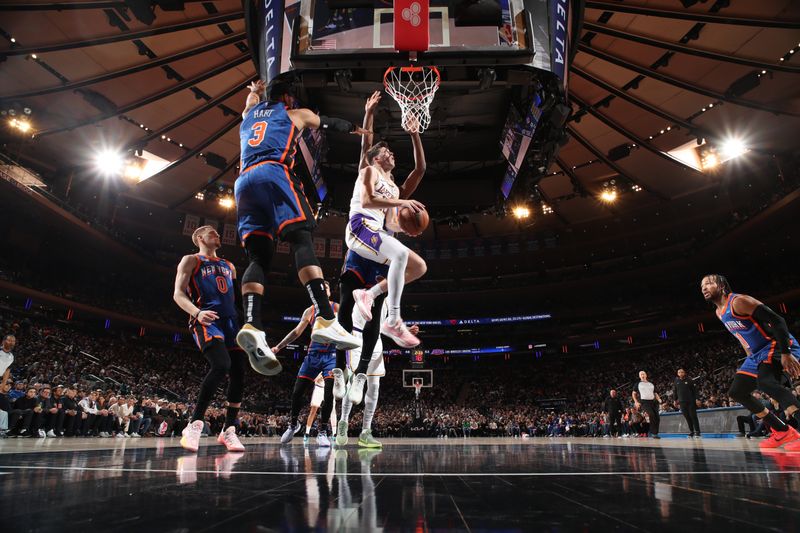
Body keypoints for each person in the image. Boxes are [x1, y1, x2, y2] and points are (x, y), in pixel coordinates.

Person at [234, 78, 364, 371]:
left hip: (244, 183)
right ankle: (325, 318)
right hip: (274, 173)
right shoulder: (295, 114)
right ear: (289, 99)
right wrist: (354, 127)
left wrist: (254, 94)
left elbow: (249, 105)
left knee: (259, 257)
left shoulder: (248, 116)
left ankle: (252, 324)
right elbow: (327, 123)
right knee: (301, 240)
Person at [344, 91, 428, 349]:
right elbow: (368, 202)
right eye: (388, 152)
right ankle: (392, 319)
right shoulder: (368, 170)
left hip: (374, 232)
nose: (392, 154)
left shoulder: (392, 188)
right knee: (401, 257)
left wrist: (415, 134)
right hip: (359, 227)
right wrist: (368, 113)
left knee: (418, 267)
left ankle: (370, 295)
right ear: (377, 158)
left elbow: (420, 170)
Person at [701, 274, 800, 450]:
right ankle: (783, 431)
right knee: (737, 391)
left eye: (709, 283)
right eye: (702, 286)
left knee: (766, 383)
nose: (704, 287)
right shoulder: (718, 312)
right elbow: (741, 337)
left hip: (776, 345)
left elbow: (778, 321)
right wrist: (750, 357)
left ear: (722, 285)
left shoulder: (739, 301)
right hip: (757, 354)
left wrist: (785, 353)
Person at [173, 225, 247, 453]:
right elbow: (178, 293)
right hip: (208, 319)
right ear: (199, 238)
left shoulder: (229, 266)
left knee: (239, 373)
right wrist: (197, 312)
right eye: (211, 232)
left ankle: (229, 430)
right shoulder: (191, 260)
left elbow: (237, 300)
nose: (217, 234)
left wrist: (247, 326)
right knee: (221, 364)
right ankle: (194, 425)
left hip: (232, 322)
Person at [337, 299, 419, 448]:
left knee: (374, 387)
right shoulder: (363, 287)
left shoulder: (389, 298)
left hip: (375, 340)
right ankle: (343, 422)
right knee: (354, 383)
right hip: (357, 337)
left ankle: (366, 432)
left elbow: (388, 325)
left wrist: (404, 331)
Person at [275, 281, 339, 447]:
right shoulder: (310, 310)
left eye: (326, 288)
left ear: (330, 292)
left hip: (331, 356)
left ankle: (323, 431)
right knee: (297, 392)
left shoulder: (337, 308)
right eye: (321, 288)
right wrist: (278, 346)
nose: (323, 290)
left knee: (329, 394)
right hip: (312, 355)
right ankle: (293, 424)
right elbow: (297, 332)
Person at [673, 369, 702, 438]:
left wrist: (697, 399)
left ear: (684, 373)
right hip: (682, 402)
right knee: (687, 417)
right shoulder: (676, 381)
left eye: (682, 372)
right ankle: (691, 431)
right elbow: (675, 391)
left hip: (691, 401)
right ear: (677, 374)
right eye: (679, 372)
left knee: (693, 416)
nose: (681, 373)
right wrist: (674, 400)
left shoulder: (689, 380)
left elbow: (695, 390)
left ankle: (697, 432)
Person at [632, 371, 661, 439]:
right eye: (641, 374)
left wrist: (659, 399)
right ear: (639, 376)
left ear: (646, 375)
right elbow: (633, 393)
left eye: (643, 374)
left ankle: (655, 433)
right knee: (651, 415)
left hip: (653, 401)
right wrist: (636, 402)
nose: (642, 375)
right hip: (644, 402)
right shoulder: (638, 384)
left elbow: (655, 393)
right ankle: (653, 433)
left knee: (657, 417)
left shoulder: (651, 384)